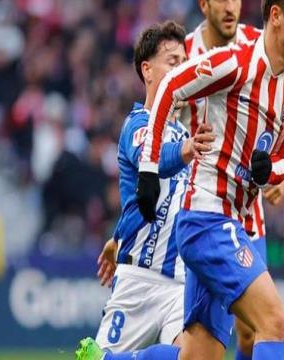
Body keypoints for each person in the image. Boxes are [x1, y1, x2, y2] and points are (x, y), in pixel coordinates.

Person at [138, 0, 284, 360]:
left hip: (237, 220)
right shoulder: (234, 64)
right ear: (276, 16)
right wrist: (149, 168)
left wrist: (268, 172)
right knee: (273, 320)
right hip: (207, 217)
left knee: (199, 356)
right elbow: (170, 86)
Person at [75, 21, 215, 360]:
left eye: (184, 62)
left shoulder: (187, 133)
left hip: (179, 282)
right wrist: (186, 151)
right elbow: (151, 162)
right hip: (139, 279)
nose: (181, 70)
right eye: (172, 61)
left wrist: (116, 235)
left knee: (194, 356)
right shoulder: (138, 125)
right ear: (147, 70)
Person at [182, 0, 284, 360]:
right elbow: (162, 121)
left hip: (247, 212)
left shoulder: (258, 47)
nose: (231, 6)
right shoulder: (184, 55)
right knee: (201, 346)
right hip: (201, 206)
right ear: (203, 3)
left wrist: (277, 170)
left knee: (250, 331)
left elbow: (280, 112)